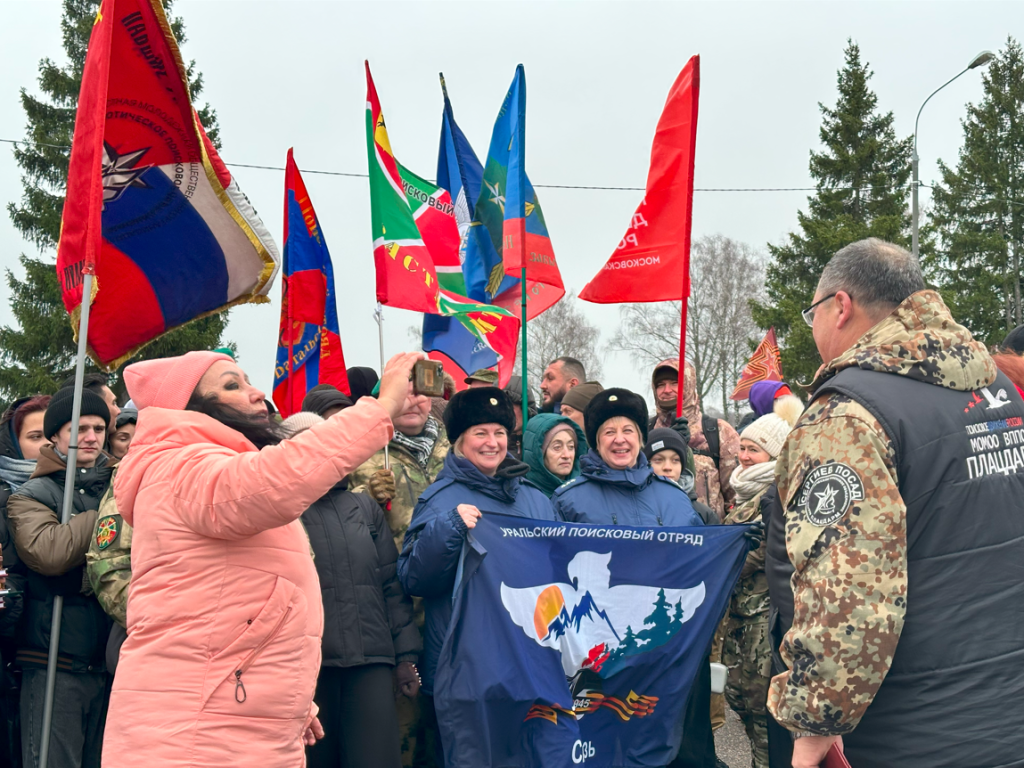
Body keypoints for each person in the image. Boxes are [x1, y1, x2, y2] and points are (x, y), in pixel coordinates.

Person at [766, 238, 1024, 768]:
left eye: (812, 313)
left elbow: (849, 592)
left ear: (840, 307)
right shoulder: (1001, 389)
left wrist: (813, 725)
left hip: (912, 732)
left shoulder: (848, 415)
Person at [100, 349, 421, 767]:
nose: (256, 394)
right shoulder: (180, 465)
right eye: (232, 385)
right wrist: (381, 408)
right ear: (189, 408)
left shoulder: (208, 465)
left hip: (241, 717)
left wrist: (286, 700)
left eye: (248, 381)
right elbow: (280, 477)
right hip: (194, 731)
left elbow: (243, 608)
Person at [398, 387, 555, 763]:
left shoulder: (535, 499)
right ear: (459, 441)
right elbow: (414, 578)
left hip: (528, 660)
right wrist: (449, 528)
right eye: (480, 433)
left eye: (499, 433)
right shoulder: (441, 499)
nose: (492, 443)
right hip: (464, 668)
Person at [278, 412, 421, 768]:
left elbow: (390, 584)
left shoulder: (364, 507)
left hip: (369, 662)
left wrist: (406, 657)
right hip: (306, 670)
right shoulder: (278, 512)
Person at [7, 388, 114, 768]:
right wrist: (106, 514)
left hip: (106, 662)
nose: (91, 437)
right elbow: (50, 553)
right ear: (56, 435)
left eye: (99, 428)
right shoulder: (32, 494)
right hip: (53, 659)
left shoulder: (118, 486)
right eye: (79, 428)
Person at [346, 378, 449, 766]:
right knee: (401, 729)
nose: (413, 401)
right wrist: (364, 499)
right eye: (403, 393)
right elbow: (332, 526)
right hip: (390, 616)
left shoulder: (456, 452)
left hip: (446, 611)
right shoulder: (362, 454)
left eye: (421, 393)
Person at [721, 412, 793, 768]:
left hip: (765, 622)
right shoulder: (744, 493)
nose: (745, 457)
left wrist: (720, 555)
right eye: (743, 448)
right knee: (746, 710)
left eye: (755, 451)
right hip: (741, 622)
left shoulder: (778, 494)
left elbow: (757, 552)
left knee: (766, 719)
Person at [552, 388, 702, 527]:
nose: (619, 439)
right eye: (609, 432)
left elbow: (699, 551)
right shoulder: (568, 501)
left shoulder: (675, 497)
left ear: (640, 438)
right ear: (597, 443)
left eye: (628, 430)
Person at [0, 394, 50, 768]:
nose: (47, 444)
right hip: (12, 650)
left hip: (59, 654)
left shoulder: (86, 491)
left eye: (53, 434)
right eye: (35, 436)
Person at [650, 359, 740, 522]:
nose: (667, 390)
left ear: (688, 385)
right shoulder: (646, 432)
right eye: (660, 385)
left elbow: (736, 497)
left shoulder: (718, 432)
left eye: (674, 383)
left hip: (707, 535)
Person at [521, 413, 585, 497]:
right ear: (539, 453)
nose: (566, 455)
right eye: (557, 447)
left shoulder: (586, 492)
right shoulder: (522, 495)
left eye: (571, 447)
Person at [502, 375, 538, 458]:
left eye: (510, 406)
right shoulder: (491, 447)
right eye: (501, 407)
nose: (506, 412)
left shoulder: (542, 443)